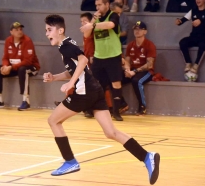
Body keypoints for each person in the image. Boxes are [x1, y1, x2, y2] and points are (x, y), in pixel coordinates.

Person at [44, 14, 160, 185]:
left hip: (84, 93)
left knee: (53, 121)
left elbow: (83, 60)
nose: (47, 34)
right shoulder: (67, 45)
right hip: (95, 90)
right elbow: (76, 69)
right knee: (111, 132)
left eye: (49, 30)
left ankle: (70, 162)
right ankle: (146, 156)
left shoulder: (65, 46)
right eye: (46, 30)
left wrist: (71, 84)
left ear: (60, 30)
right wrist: (55, 77)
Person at [80, 0, 124, 121]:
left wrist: (92, 26)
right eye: (96, 5)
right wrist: (93, 21)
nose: (97, 7)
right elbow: (87, 34)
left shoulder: (113, 15)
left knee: (116, 84)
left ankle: (116, 112)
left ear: (107, 4)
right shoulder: (95, 19)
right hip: (99, 57)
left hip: (113, 56)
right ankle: (90, 109)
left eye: (99, 5)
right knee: (95, 85)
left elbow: (110, 25)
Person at [0, 22, 40, 111]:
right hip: (15, 67)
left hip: (31, 67)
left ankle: (26, 101)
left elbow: (28, 61)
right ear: (11, 32)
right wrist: (5, 66)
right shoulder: (8, 40)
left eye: (20, 29)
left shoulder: (27, 41)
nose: (19, 31)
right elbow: (5, 57)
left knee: (23, 70)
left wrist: (11, 67)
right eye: (16, 30)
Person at [175, 0, 205, 76]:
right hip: (194, 37)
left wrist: (200, 21)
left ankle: (196, 65)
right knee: (183, 42)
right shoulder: (193, 11)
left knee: (203, 45)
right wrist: (179, 21)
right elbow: (183, 20)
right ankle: (188, 63)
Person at [122, 21, 156, 115]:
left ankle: (142, 106)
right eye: (135, 29)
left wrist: (135, 71)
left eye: (140, 29)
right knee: (115, 79)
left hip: (146, 71)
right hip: (133, 69)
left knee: (137, 81)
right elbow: (127, 60)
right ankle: (122, 104)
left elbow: (149, 65)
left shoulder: (149, 45)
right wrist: (127, 70)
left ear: (145, 32)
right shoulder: (130, 45)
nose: (137, 31)